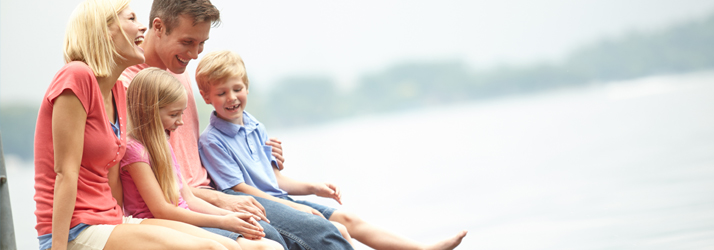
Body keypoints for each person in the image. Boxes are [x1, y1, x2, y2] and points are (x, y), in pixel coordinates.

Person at [119, 0, 353, 249]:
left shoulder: (178, 67)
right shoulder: (129, 86)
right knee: (290, 236)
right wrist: (222, 202)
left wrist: (264, 158)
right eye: (188, 42)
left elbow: (191, 152)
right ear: (158, 26)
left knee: (326, 228)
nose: (195, 54)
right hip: (201, 198)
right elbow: (154, 178)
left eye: (202, 44)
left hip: (212, 190)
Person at [196, 50, 469, 250]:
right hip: (262, 206)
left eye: (237, 89)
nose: (231, 98)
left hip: (280, 199)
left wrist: (313, 187)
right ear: (207, 97)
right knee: (333, 229)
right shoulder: (212, 141)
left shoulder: (256, 127)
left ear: (247, 87)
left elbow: (275, 180)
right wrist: (295, 209)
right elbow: (241, 190)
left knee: (348, 218)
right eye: (221, 93)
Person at [33, 0, 240, 249]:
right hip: (75, 229)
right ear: (103, 29)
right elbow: (66, 173)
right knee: (211, 248)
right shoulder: (76, 75)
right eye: (131, 19)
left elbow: (112, 181)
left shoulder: (118, 90)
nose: (142, 28)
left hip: (111, 221)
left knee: (231, 246)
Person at [120, 68, 284, 250]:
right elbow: (162, 211)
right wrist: (223, 222)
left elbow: (188, 198)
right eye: (174, 114)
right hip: (162, 226)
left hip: (185, 218)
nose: (181, 121)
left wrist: (229, 215)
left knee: (270, 241)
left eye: (181, 113)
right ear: (148, 112)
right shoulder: (134, 151)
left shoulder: (163, 144)